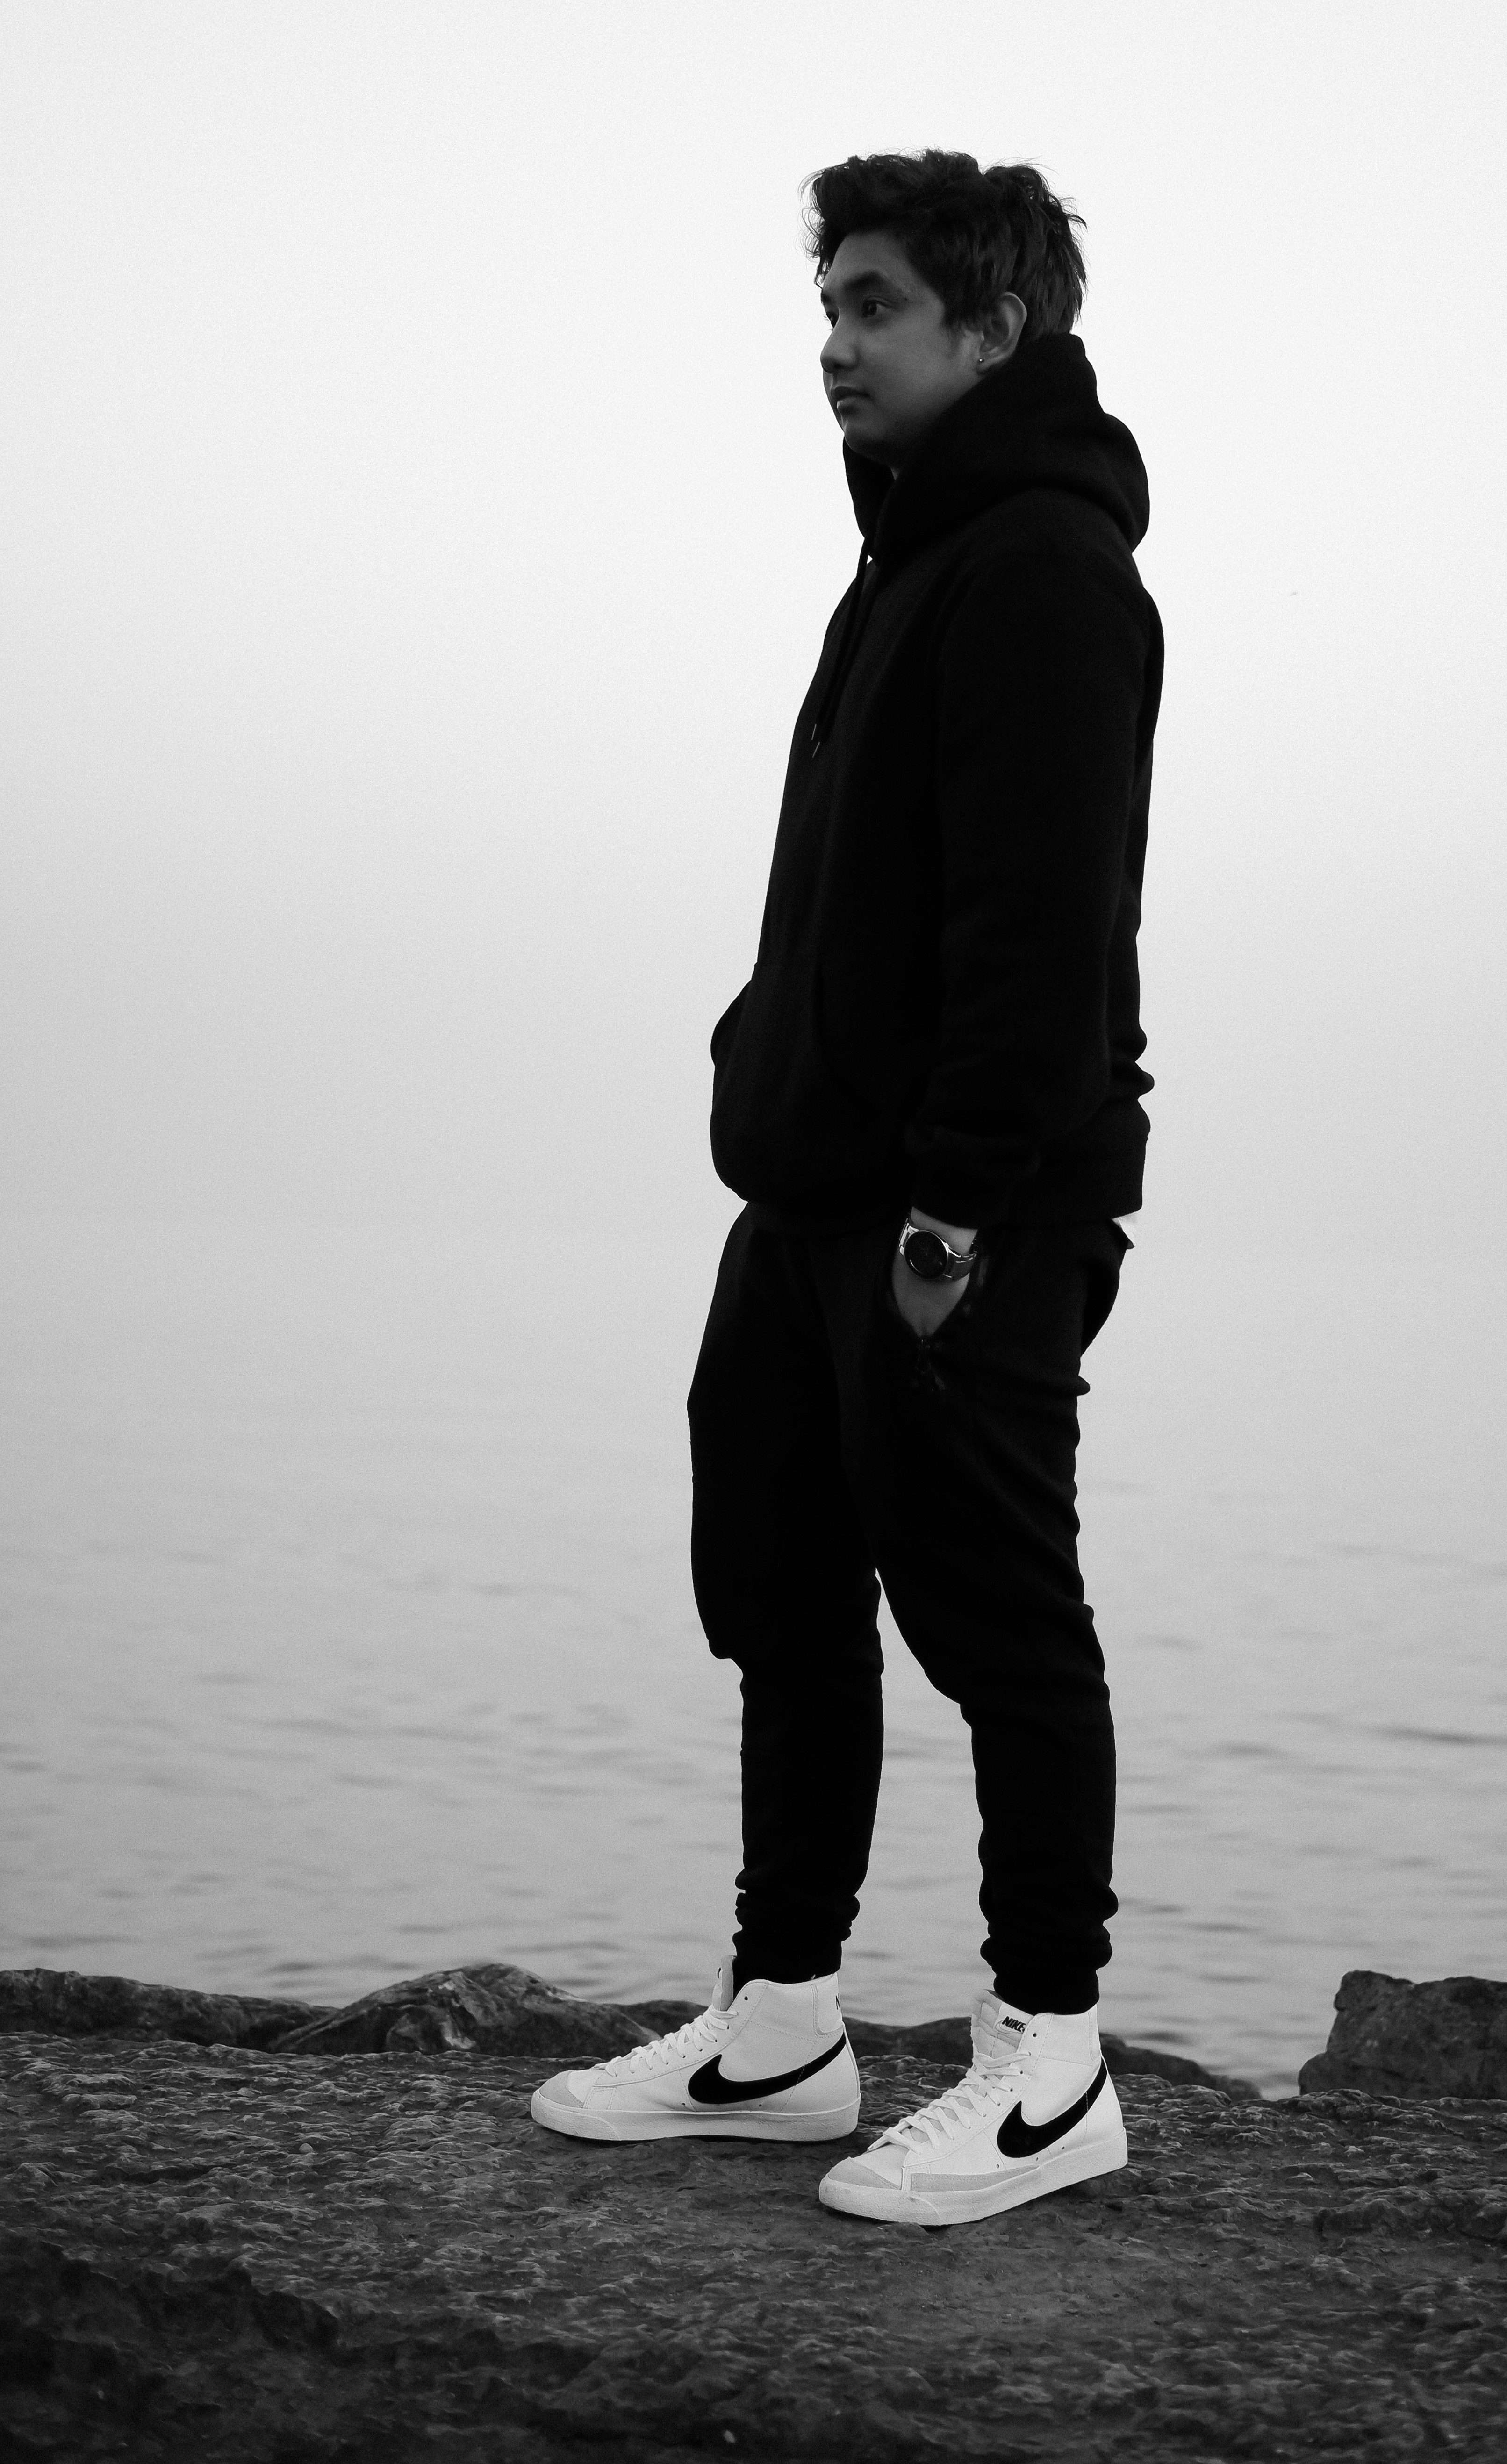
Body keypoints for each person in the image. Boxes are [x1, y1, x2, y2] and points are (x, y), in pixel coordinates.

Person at [532, 150, 1163, 2228]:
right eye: (834, 305)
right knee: (784, 1595)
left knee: (998, 1624)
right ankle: (786, 2026)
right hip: (812, 1202)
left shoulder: (1049, 573)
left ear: (998, 326)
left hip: (948, 1218)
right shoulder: (910, 564)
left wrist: (957, 1213)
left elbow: (1040, 934)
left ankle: (1051, 2062)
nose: (835, 344)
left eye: (879, 305)